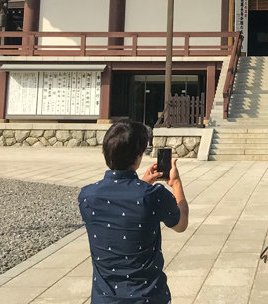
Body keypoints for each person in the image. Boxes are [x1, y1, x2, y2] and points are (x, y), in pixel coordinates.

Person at [79, 121, 189, 304]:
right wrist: (176, 183)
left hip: (105, 298)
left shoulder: (87, 196)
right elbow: (181, 223)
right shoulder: (152, 196)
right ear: (137, 157)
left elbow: (122, 210)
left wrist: (141, 184)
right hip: (148, 297)